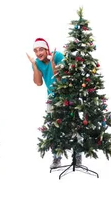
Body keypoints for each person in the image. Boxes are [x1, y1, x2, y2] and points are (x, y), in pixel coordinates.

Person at [26, 37, 79, 169]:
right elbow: (38, 83)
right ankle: (56, 158)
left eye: (41, 49)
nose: (38, 53)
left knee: (73, 125)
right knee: (54, 127)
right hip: (52, 98)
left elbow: (60, 79)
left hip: (67, 94)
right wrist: (33, 64)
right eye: (36, 51)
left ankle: (77, 156)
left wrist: (52, 63)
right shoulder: (37, 62)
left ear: (46, 49)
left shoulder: (58, 56)